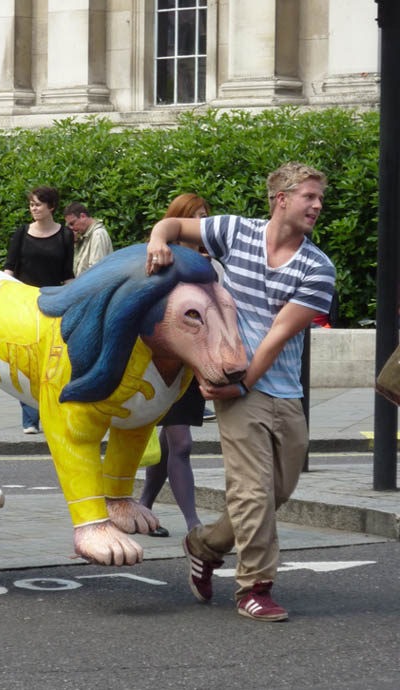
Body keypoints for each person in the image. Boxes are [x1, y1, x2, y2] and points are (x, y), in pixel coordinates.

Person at [146, 162, 335, 622]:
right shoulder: (235, 231)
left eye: (320, 199)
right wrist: (157, 241)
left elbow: (277, 335)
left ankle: (204, 546)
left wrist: (246, 382)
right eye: (309, 196)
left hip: (280, 389)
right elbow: (173, 224)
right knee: (251, 493)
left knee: (277, 492)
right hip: (236, 386)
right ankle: (255, 587)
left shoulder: (318, 267)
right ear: (281, 198)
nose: (317, 205)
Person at [139, 193, 213, 538]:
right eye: (195, 217)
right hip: (163, 366)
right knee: (180, 444)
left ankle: (145, 506)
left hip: (192, 366)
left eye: (205, 217)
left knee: (170, 445)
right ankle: (194, 525)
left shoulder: (211, 263)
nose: (201, 224)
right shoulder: (158, 259)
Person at [4, 186, 74, 433]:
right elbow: (9, 268)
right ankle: (30, 419)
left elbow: (67, 275)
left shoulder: (65, 235)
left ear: (51, 207)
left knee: (54, 358)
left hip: (54, 302)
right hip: (25, 302)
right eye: (31, 204)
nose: (33, 208)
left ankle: (52, 410)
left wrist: (74, 299)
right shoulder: (21, 233)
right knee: (27, 360)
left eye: (38, 204)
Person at [63, 202, 113, 276]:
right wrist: (75, 243)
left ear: (83, 216)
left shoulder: (98, 234)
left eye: (72, 223)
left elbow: (97, 272)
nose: (71, 228)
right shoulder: (86, 236)